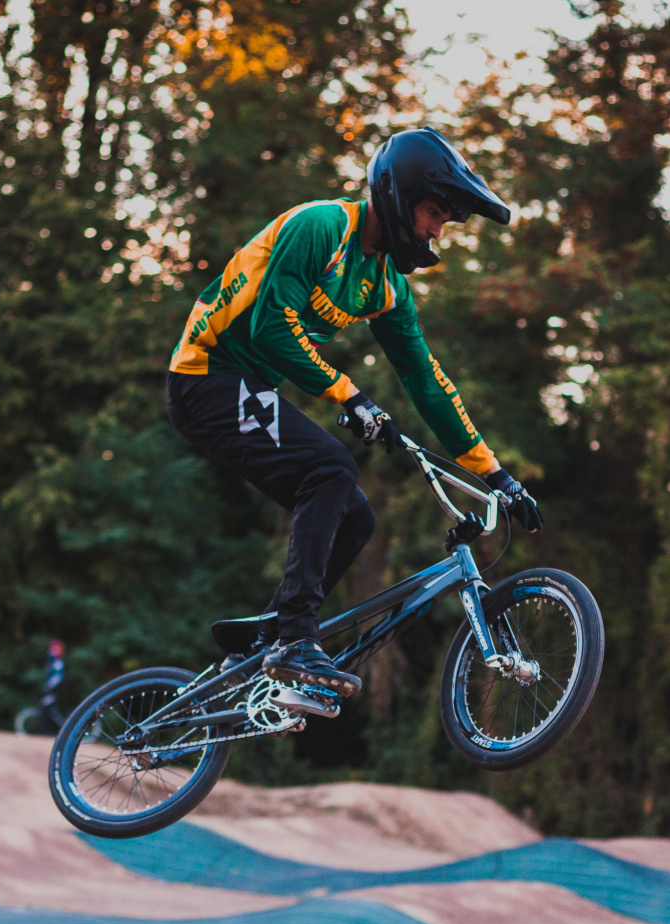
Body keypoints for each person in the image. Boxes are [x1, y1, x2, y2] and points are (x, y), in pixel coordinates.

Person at [166, 127, 542, 698]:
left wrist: (498, 476)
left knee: (356, 516)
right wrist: (351, 396)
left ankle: (273, 637)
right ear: (397, 194)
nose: (438, 231)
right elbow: (271, 328)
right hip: (204, 377)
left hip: (244, 386)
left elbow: (427, 381)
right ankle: (293, 637)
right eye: (434, 213)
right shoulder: (320, 227)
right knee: (330, 468)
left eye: (445, 220)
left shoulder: (385, 284)